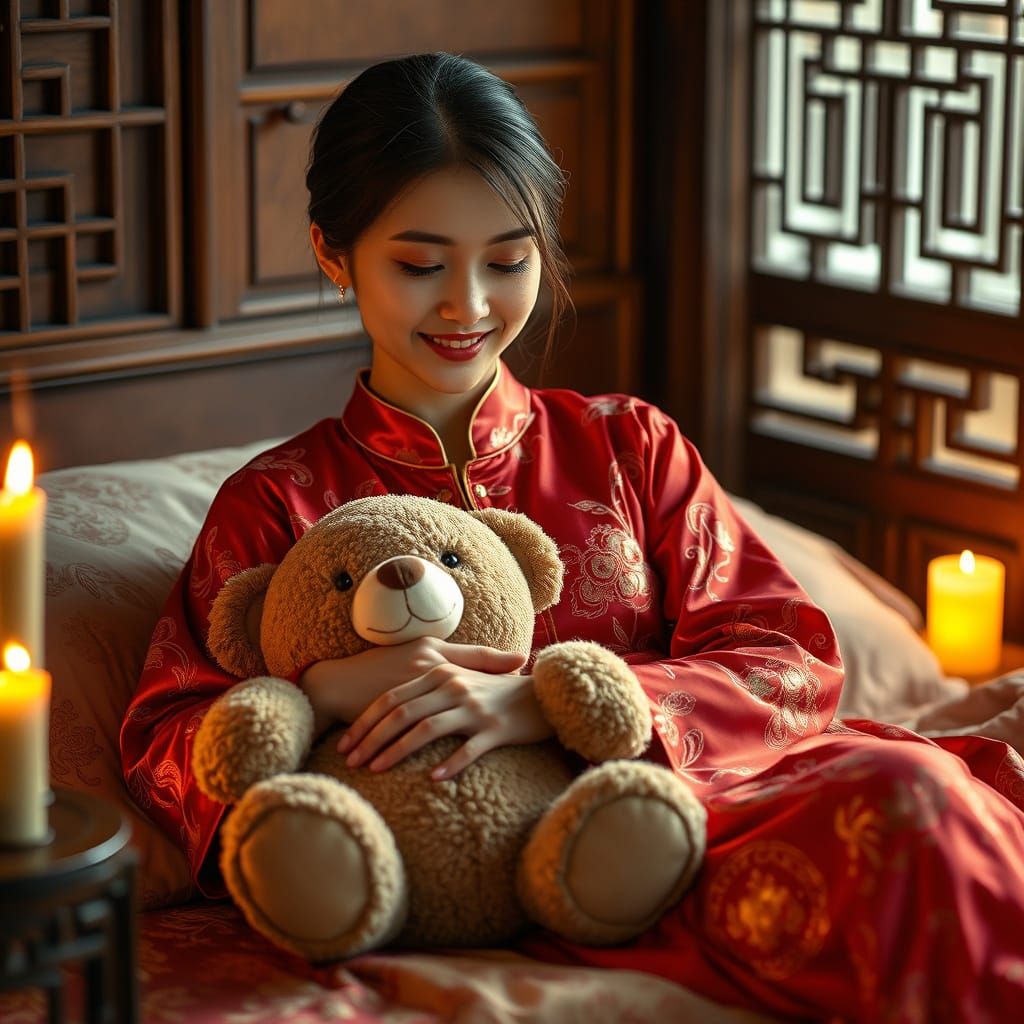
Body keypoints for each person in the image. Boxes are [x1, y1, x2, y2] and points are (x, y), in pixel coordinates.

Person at [121, 52, 1024, 1021]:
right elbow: (171, 737)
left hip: (684, 813)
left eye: (506, 260)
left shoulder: (627, 444)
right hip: (470, 863)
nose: (468, 304)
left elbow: (786, 656)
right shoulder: (278, 501)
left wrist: (547, 701)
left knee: (908, 787)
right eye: (421, 264)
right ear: (332, 252)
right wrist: (325, 688)